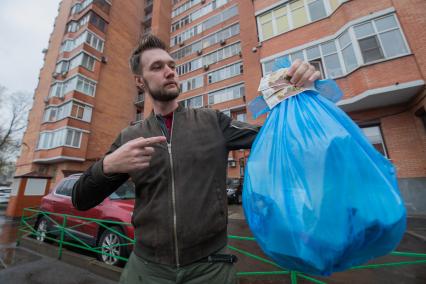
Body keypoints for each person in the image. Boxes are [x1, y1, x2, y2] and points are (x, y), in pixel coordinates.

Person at [72, 34, 320, 284]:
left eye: (171, 65)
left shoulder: (212, 122)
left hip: (211, 268)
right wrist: (108, 165)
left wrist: (301, 92)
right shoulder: (130, 137)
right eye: (157, 67)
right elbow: (81, 199)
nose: (169, 72)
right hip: (147, 270)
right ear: (140, 81)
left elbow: (281, 138)